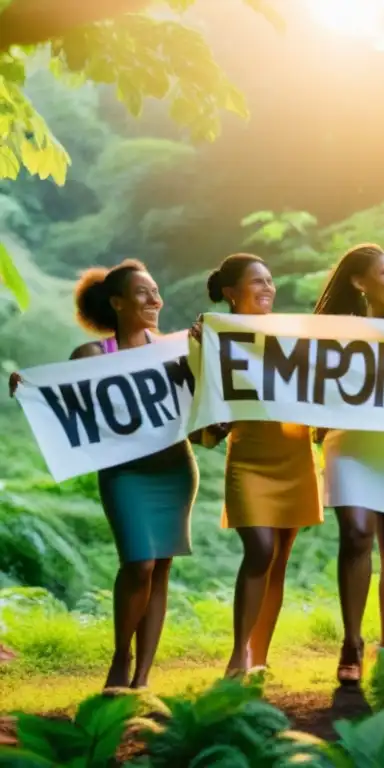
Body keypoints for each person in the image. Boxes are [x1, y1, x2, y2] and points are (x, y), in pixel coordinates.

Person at [10, 259, 198, 690]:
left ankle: (143, 678)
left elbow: (200, 404)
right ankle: (120, 657)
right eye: (143, 293)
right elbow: (63, 400)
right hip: (124, 475)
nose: (155, 300)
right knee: (139, 563)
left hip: (174, 469)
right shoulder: (93, 356)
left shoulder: (174, 348)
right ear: (116, 303)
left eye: (156, 292)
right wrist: (30, 387)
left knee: (161, 568)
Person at [195, 253, 323, 677]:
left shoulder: (292, 333)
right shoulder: (213, 337)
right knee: (260, 550)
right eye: (257, 282)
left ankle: (260, 655)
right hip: (249, 459)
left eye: (270, 281)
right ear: (230, 293)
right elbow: (202, 422)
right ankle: (239, 655)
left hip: (295, 455)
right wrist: (200, 346)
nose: (268, 288)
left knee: (279, 559)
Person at [311, 244, 384, 685]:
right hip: (353, 445)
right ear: (360, 282)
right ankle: (352, 641)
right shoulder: (331, 331)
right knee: (358, 534)